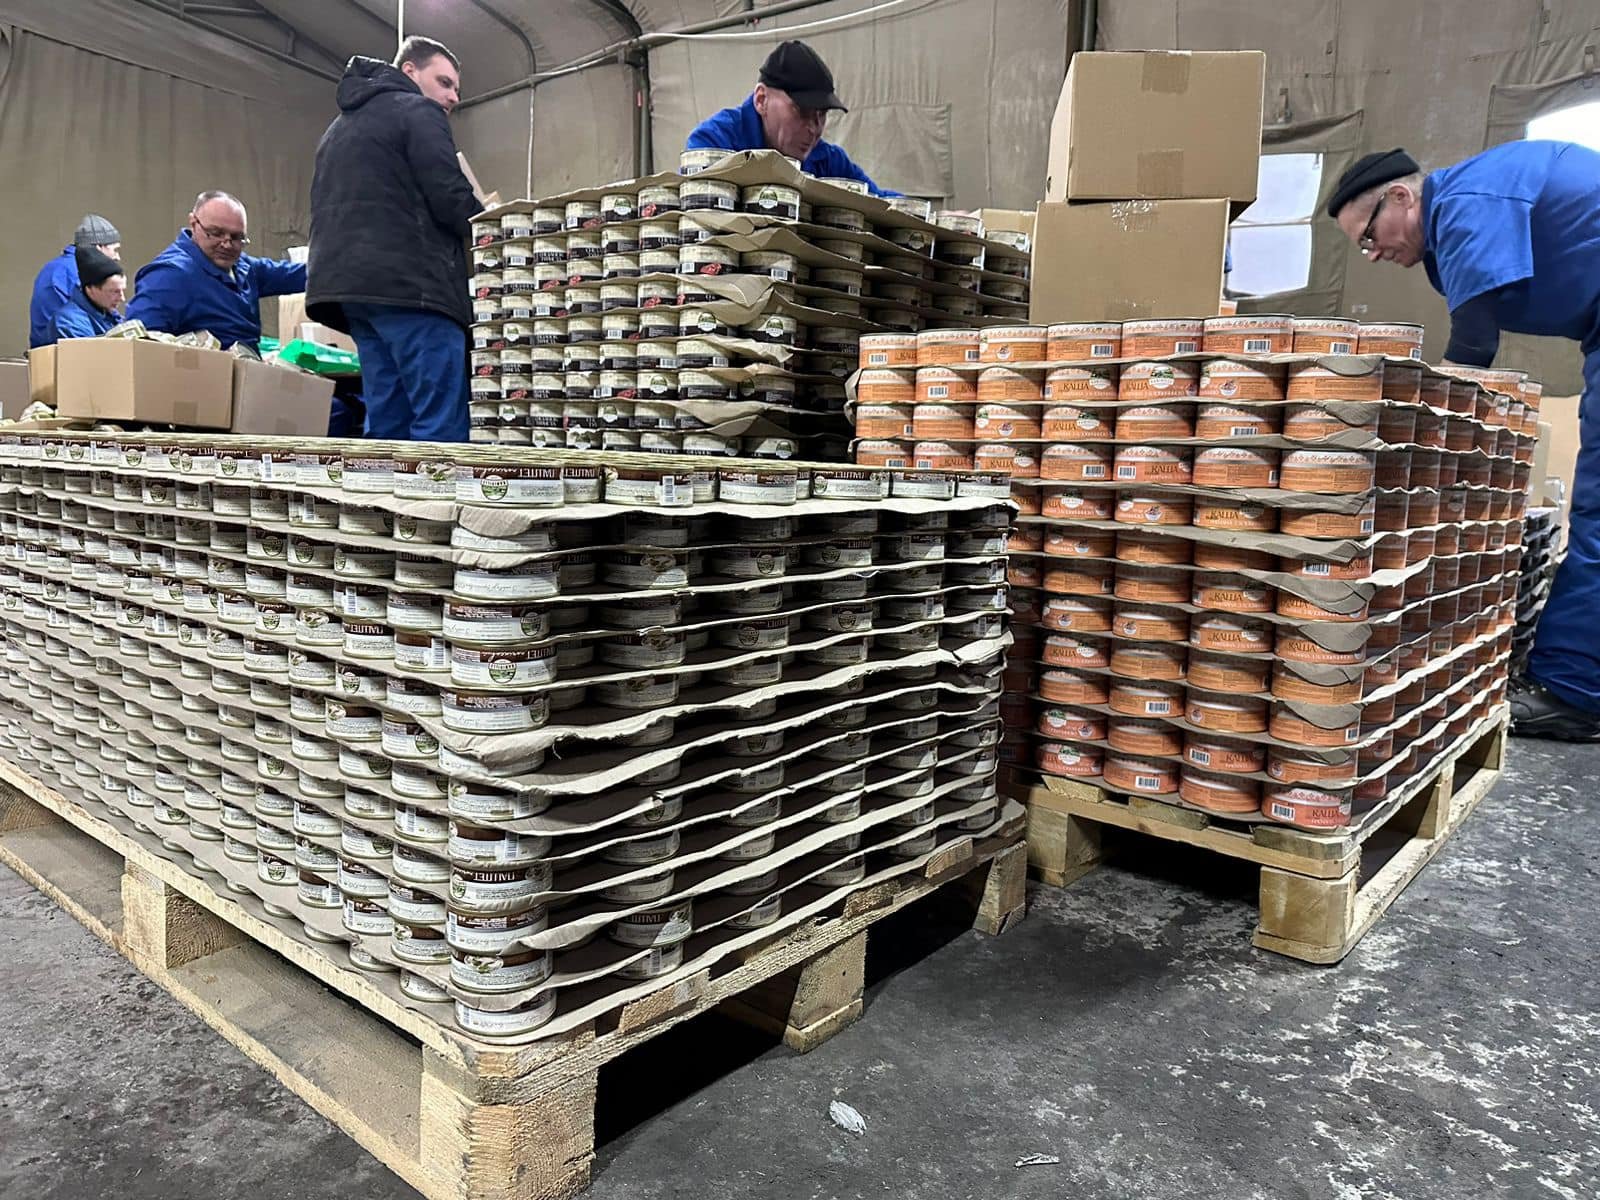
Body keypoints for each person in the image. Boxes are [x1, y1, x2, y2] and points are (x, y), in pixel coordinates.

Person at [1326, 142, 1600, 741]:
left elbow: (1473, 345)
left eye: (1368, 235)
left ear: (1401, 197)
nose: (1372, 254)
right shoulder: (1461, 210)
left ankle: (1574, 693)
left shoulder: (1466, 202)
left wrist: (1412, 459)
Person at [306, 36, 479, 442]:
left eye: (456, 89)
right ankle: (435, 487)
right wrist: (494, 229)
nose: (453, 97)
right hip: (414, 290)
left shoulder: (336, 131)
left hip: (354, 296)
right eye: (444, 82)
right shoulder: (418, 111)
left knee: (388, 423)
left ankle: (385, 487)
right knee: (439, 423)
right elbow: (449, 194)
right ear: (409, 71)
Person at [685, 40, 897, 197]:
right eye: (802, 112)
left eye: (821, 114)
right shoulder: (714, 144)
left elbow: (879, 202)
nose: (814, 129)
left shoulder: (827, 161)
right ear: (761, 100)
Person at [124, 190, 305, 351]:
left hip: (244, 370)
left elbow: (295, 276)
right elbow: (139, 348)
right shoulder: (169, 276)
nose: (227, 244)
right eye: (216, 233)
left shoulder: (242, 267)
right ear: (193, 223)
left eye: (236, 237)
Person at [29, 215, 121, 348]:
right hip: (63, 350)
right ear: (99, 247)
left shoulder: (61, 268)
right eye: (115, 250)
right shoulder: (75, 271)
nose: (117, 257)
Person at [49, 248, 125, 342]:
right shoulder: (68, 323)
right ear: (90, 288)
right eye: (114, 292)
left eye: (123, 290)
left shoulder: (108, 314)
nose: (122, 298)